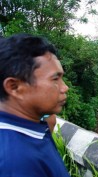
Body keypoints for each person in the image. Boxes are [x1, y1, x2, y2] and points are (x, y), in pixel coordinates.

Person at [0, 34, 70, 177]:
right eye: (55, 79)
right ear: (14, 87)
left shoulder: (30, 130)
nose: (65, 88)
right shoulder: (17, 161)